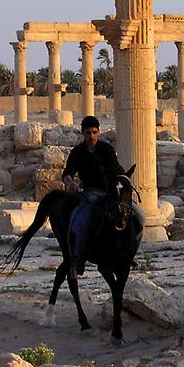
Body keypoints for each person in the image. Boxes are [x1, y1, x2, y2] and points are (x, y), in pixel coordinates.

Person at [62, 116, 124, 279]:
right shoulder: (77, 152)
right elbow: (67, 173)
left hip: (110, 192)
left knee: (138, 216)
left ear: (99, 132)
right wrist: (70, 183)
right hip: (90, 193)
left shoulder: (107, 149)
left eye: (94, 132)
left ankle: (128, 254)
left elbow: (117, 169)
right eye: (88, 133)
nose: (92, 136)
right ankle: (77, 262)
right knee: (83, 222)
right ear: (83, 133)